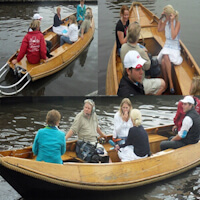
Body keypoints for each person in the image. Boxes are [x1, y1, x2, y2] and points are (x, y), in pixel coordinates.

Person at [121, 22, 166, 95]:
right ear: (138, 36)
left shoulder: (123, 47)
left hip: (127, 78)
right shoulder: (140, 51)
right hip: (138, 83)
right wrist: (145, 54)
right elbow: (148, 66)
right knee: (163, 84)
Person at [157, 5, 183, 94]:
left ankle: (169, 83)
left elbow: (173, 36)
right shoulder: (166, 22)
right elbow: (159, 29)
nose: (166, 17)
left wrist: (171, 22)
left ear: (170, 15)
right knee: (164, 60)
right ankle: (167, 82)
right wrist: (161, 19)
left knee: (165, 56)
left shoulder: (177, 23)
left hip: (174, 47)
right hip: (167, 46)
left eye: (167, 16)